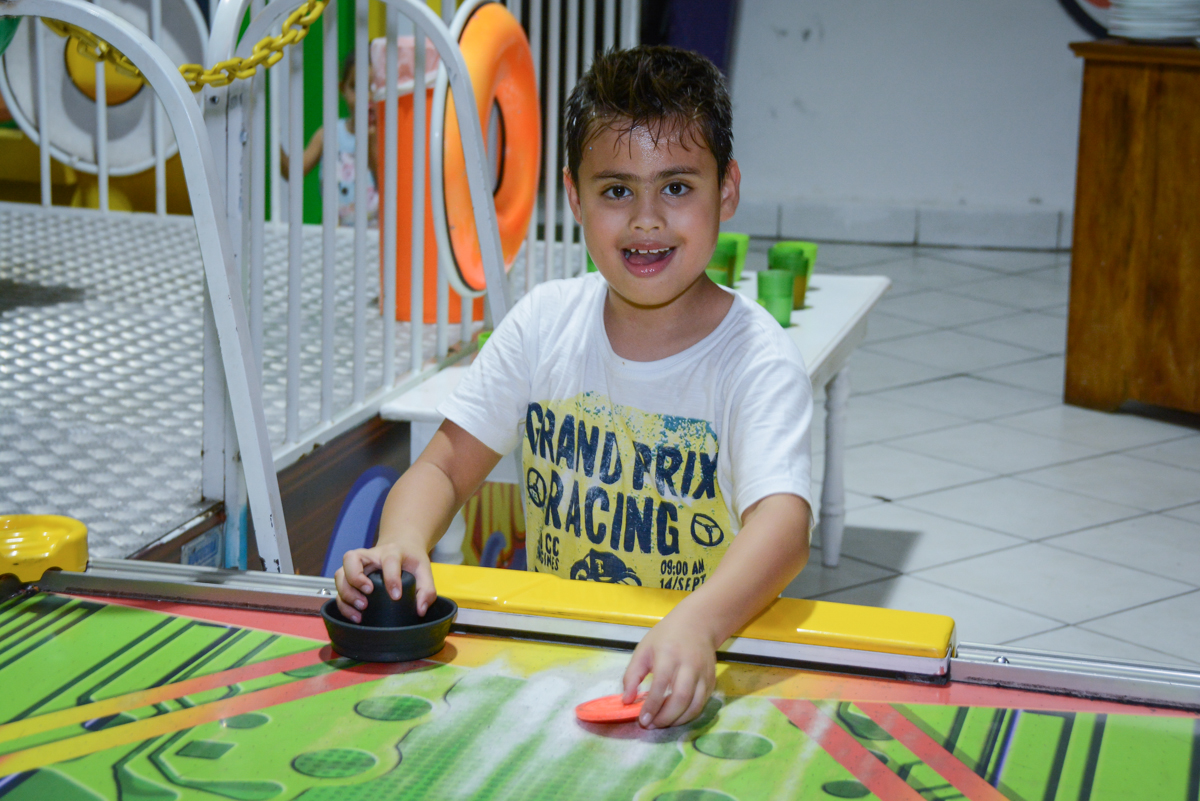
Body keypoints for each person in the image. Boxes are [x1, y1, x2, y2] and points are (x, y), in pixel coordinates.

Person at [335, 45, 813, 729]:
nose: (646, 219)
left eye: (677, 187)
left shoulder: (756, 359)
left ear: (727, 189)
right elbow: (441, 467)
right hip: (557, 659)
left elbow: (784, 525)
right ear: (573, 197)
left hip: (701, 664)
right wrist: (401, 542)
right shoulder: (542, 324)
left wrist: (699, 624)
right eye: (617, 190)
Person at [280, 52, 378, 227]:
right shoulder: (329, 134)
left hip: (376, 236)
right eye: (356, 87)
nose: (367, 96)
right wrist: (272, 140)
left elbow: (392, 187)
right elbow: (292, 171)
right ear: (342, 89)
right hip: (334, 235)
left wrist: (373, 140)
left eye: (375, 87)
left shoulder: (390, 138)